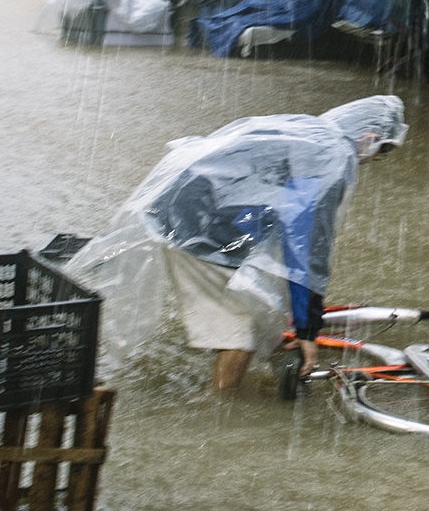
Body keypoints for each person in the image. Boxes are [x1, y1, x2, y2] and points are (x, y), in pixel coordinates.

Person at [115, 95, 406, 390]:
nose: (369, 162)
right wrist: (308, 329)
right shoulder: (334, 156)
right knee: (243, 334)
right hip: (198, 226)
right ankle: (218, 411)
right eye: (377, 154)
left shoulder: (305, 127)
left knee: (252, 299)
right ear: (370, 138)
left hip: (177, 208)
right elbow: (306, 246)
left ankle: (224, 359)